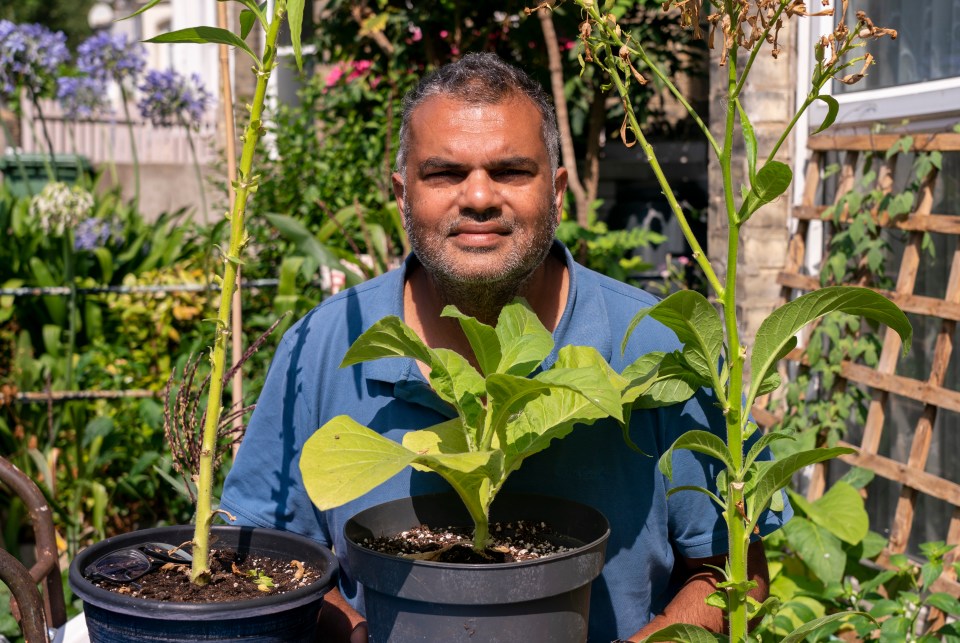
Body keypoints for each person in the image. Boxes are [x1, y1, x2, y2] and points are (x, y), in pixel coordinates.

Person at [220, 52, 791, 642]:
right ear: (402, 195)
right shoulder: (323, 343)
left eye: (512, 171)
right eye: (443, 173)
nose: (479, 197)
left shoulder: (658, 342)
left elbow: (733, 572)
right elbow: (263, 561)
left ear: (559, 191)